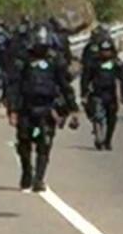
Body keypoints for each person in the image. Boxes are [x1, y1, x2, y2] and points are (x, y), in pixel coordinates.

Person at [6, 22, 79, 192]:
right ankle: (26, 172)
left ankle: (39, 179)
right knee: (24, 142)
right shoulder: (23, 59)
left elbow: (64, 86)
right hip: (26, 108)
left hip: (47, 108)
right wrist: (12, 109)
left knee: (44, 144)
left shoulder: (55, 61)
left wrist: (73, 108)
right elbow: (14, 85)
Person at [81, 36, 123, 150]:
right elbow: (85, 78)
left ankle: (108, 140)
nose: (106, 53)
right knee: (98, 116)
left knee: (112, 118)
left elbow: (122, 79)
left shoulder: (116, 63)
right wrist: (84, 93)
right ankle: (99, 137)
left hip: (111, 95)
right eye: (103, 50)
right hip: (97, 94)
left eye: (108, 50)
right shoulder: (93, 63)